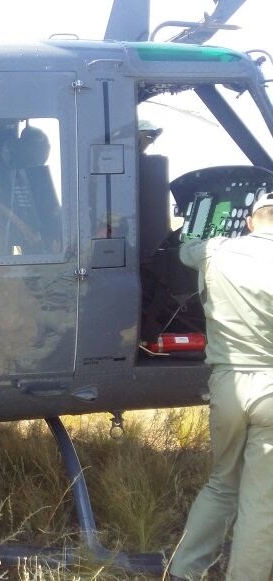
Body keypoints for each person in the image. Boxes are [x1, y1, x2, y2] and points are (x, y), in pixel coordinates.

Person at [167, 192, 273, 581]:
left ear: (250, 221)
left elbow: (184, 248)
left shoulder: (215, 251)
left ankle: (183, 570)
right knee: (262, 500)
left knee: (222, 484)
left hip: (227, 383)